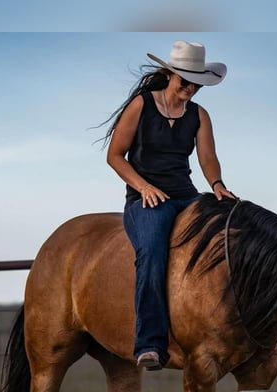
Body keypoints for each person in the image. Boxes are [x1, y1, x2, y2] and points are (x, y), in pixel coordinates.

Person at [98, 40, 236, 371]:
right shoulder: (141, 105)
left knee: (237, 231)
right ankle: (150, 343)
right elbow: (114, 156)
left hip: (186, 195)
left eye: (196, 84)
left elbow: (207, 158)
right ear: (169, 74)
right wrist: (143, 186)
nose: (190, 89)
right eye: (184, 81)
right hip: (145, 199)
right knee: (153, 251)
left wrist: (217, 185)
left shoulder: (199, 116)